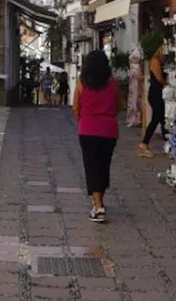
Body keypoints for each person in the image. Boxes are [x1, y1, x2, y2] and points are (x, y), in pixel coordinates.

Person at [73, 50, 123, 223]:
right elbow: (119, 106)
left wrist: (84, 120)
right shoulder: (113, 83)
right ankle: (99, 201)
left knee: (91, 166)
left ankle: (98, 206)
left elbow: (76, 108)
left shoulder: (81, 84)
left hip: (87, 130)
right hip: (109, 131)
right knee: (103, 166)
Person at [138, 39, 166, 158]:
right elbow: (159, 79)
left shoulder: (160, 61)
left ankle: (166, 142)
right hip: (156, 94)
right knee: (158, 118)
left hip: (159, 94)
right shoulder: (155, 61)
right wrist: (168, 83)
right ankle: (144, 143)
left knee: (161, 118)